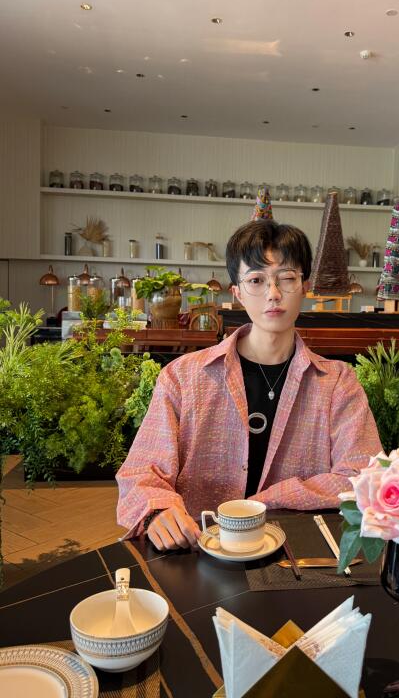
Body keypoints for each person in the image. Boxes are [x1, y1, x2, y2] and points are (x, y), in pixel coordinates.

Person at [116, 221, 382, 551]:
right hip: (198, 550)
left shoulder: (337, 383)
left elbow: (363, 476)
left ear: (305, 287)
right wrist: (158, 510)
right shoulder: (183, 377)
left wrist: (269, 500)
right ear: (238, 293)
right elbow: (141, 471)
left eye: (287, 278)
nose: (273, 293)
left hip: (296, 553)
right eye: (257, 280)